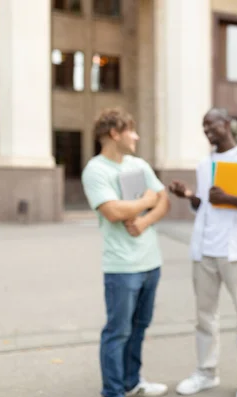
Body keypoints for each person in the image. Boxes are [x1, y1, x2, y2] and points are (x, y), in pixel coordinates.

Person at [168, 108, 237, 397]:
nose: (207, 129)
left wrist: (233, 199)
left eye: (212, 124)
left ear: (227, 124)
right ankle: (206, 372)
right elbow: (206, 204)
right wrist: (190, 197)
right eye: (203, 125)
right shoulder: (205, 164)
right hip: (205, 249)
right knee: (204, 316)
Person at [81, 107, 171, 397]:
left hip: (150, 263)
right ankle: (113, 391)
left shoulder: (138, 164)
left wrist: (143, 220)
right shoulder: (96, 170)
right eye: (130, 130)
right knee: (117, 332)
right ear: (114, 134)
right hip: (121, 267)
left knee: (139, 328)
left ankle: (132, 382)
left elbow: (164, 200)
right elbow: (112, 210)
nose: (136, 136)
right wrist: (146, 199)